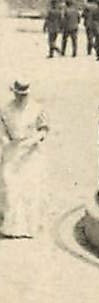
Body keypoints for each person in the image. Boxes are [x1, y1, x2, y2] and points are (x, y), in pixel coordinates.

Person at [0, 81, 49, 238]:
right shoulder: (5, 110)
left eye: (24, 95)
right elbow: (2, 131)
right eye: (18, 94)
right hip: (12, 150)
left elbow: (43, 129)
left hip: (31, 151)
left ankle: (29, 227)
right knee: (11, 188)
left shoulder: (37, 109)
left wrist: (34, 140)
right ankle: (13, 227)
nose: (21, 97)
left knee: (30, 189)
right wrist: (7, 142)